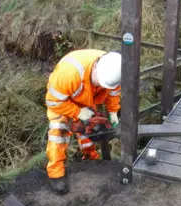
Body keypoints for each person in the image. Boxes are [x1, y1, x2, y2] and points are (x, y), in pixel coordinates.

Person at [44, 49, 122, 195]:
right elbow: (52, 102)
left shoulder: (113, 68)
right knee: (58, 132)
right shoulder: (69, 74)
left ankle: (89, 158)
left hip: (86, 98)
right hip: (61, 102)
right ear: (95, 69)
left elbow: (113, 92)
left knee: (89, 129)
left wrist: (113, 111)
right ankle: (56, 174)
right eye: (101, 83)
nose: (103, 86)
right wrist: (78, 112)